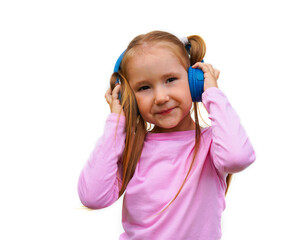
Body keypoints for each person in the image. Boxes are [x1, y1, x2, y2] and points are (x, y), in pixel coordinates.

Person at [77, 30, 256, 240]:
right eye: (144, 87)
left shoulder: (211, 143)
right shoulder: (132, 148)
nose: (161, 97)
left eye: (170, 79)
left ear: (194, 82)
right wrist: (116, 124)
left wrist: (213, 94)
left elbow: (239, 157)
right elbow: (92, 197)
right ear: (129, 98)